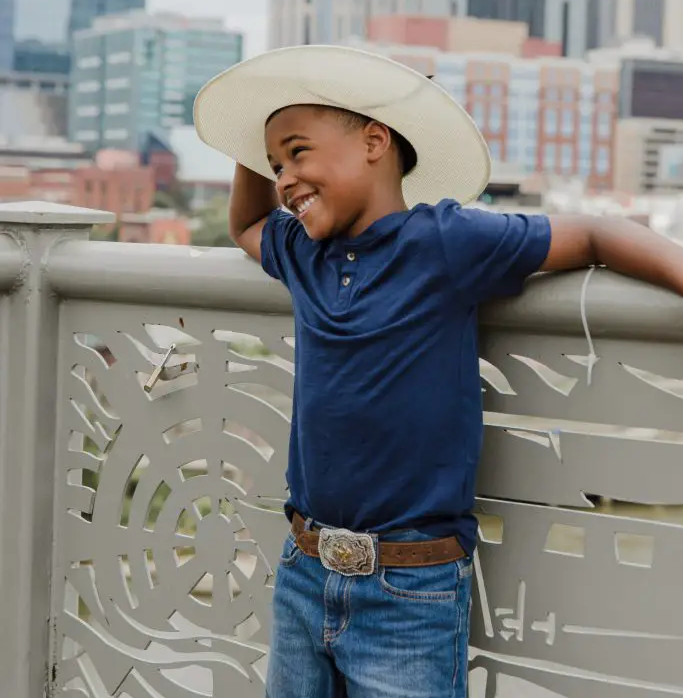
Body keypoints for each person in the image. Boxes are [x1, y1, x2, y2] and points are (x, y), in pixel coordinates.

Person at [194, 45, 683, 698]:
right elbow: (248, 221)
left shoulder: (445, 243)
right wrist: (253, 133)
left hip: (410, 588)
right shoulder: (305, 255)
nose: (282, 176)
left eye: (297, 151)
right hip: (303, 569)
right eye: (274, 161)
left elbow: (593, 235)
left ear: (374, 141)